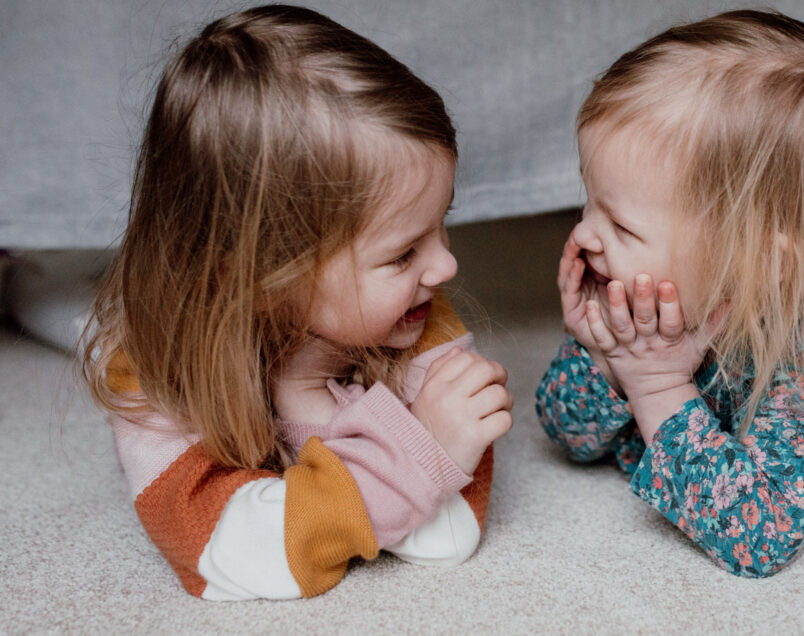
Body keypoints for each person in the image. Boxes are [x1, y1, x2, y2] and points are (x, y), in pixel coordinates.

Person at [82, 5, 512, 600]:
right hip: (148, 330)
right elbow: (228, 554)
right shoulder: (151, 370)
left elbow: (446, 539)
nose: (446, 266)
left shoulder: (420, 317)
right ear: (264, 279)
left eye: (442, 225)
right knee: (93, 333)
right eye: (404, 251)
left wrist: (307, 407)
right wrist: (420, 457)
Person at [535, 9, 804, 577]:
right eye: (588, 202)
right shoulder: (639, 296)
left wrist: (657, 385)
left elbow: (760, 539)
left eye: (623, 227)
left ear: (756, 261)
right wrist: (605, 359)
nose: (583, 234)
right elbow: (568, 437)